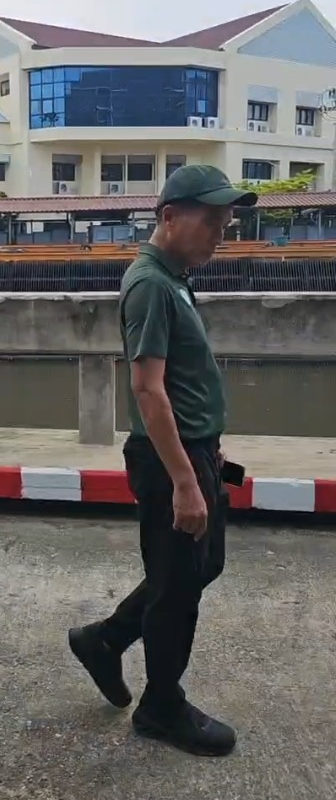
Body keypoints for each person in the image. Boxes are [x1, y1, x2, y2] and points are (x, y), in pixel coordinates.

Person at [68, 165, 257, 757]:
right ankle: (161, 706)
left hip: (194, 449)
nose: (221, 234)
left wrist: (208, 449)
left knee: (198, 567)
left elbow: (180, 380)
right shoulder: (151, 284)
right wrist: (184, 481)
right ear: (169, 217)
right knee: (178, 587)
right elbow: (148, 390)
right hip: (169, 460)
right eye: (212, 221)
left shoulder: (174, 279)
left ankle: (105, 639)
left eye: (226, 224)